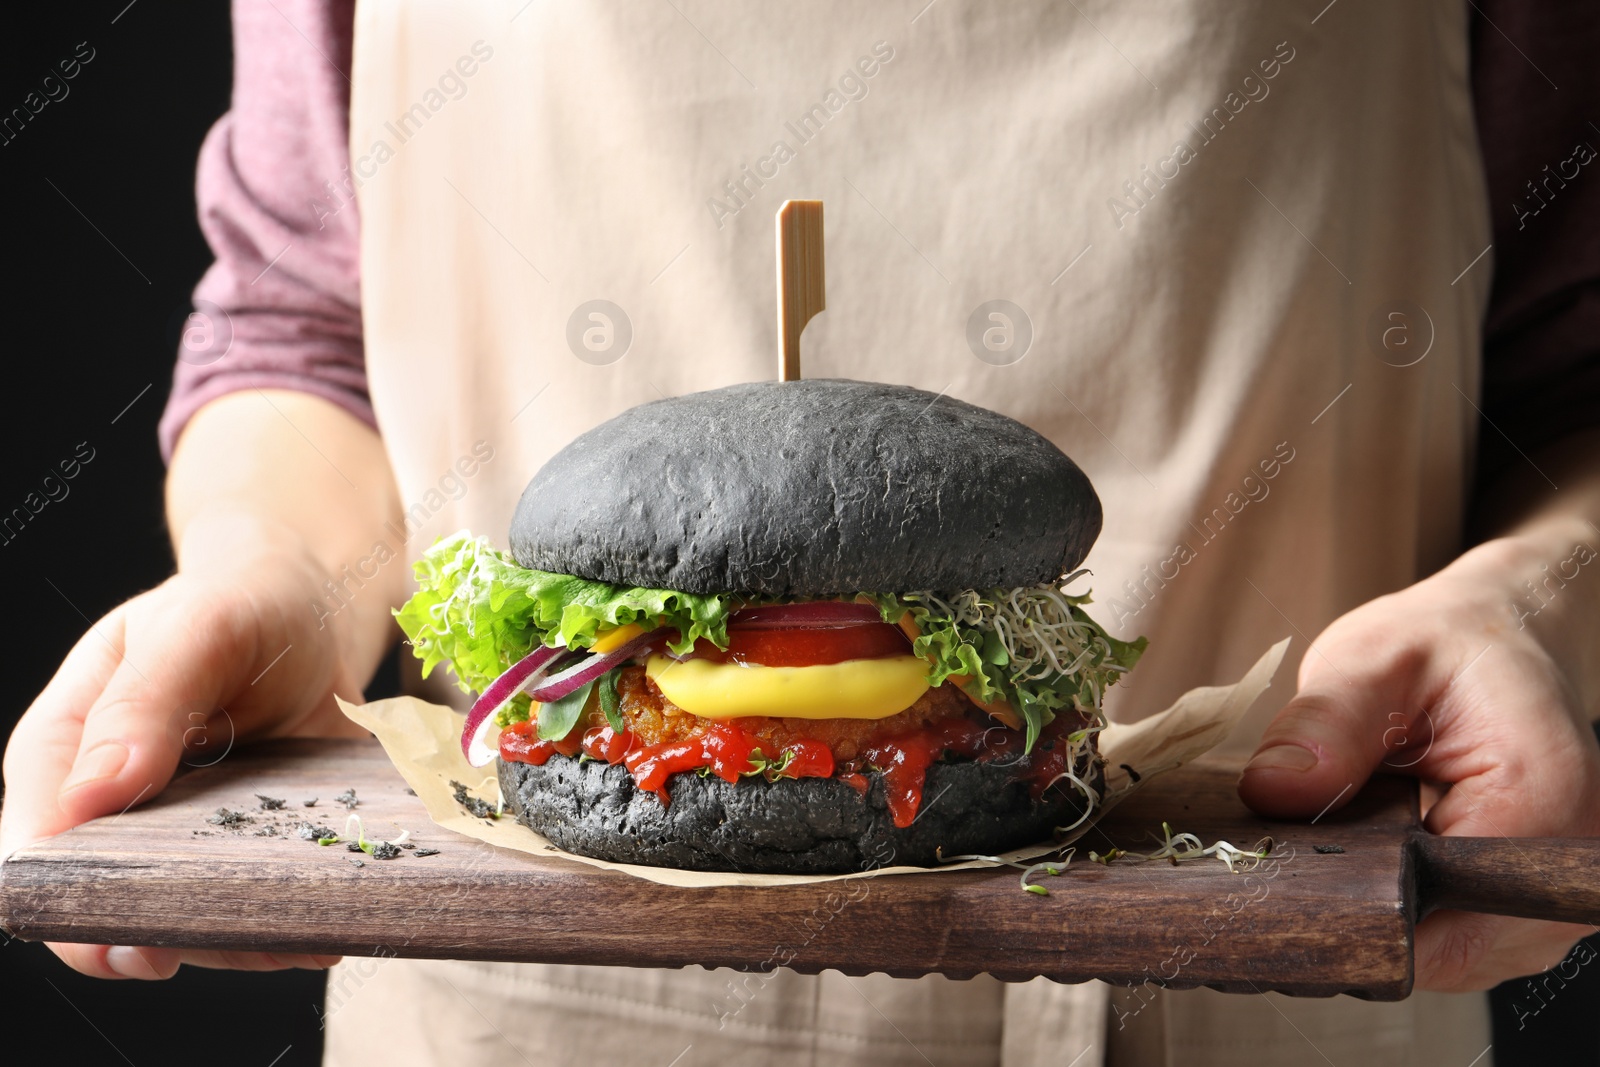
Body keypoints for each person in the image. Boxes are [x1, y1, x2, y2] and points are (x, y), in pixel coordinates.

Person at [4, 2, 1598, 1064]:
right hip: (526, 989)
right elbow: (306, 320)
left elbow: (1573, 361)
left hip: (1274, 970)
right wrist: (276, 571)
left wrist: (1536, 595)